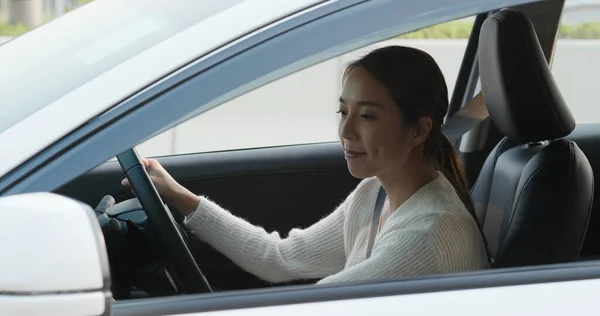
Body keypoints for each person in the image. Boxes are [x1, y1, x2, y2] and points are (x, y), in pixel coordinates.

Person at [122, 46, 490, 286]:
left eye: (367, 116)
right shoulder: (375, 193)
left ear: (418, 130)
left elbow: (313, 304)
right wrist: (177, 195)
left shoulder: (426, 238)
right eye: (343, 111)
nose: (345, 130)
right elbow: (279, 257)